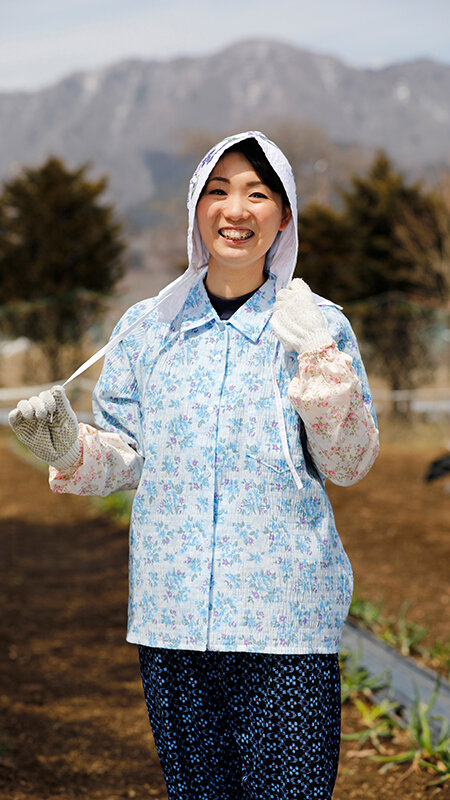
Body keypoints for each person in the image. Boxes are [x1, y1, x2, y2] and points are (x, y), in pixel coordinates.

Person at [9, 131, 379, 800]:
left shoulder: (315, 325)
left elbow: (349, 462)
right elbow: (124, 455)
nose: (236, 210)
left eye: (258, 194)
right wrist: (69, 449)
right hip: (171, 617)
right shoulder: (147, 328)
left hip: (285, 625)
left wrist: (320, 360)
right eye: (219, 191)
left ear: (284, 216)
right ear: (194, 208)